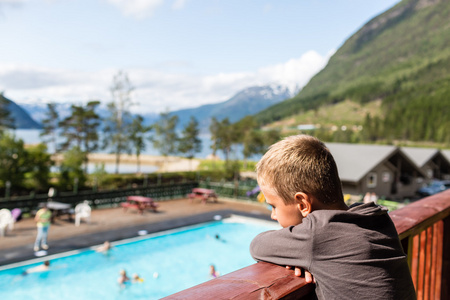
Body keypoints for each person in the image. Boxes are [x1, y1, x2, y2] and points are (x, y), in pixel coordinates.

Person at [250, 135, 416, 300]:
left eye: (273, 206)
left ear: (302, 204)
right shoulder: (376, 218)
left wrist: (301, 253)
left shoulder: (318, 233)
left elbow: (257, 245)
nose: (273, 215)